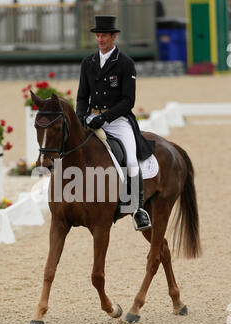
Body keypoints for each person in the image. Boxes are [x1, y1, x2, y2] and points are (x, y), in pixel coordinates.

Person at [76, 15, 154, 231]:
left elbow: (128, 100)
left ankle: (138, 210)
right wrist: (81, 115)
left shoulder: (125, 63)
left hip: (118, 121)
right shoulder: (88, 62)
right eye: (98, 36)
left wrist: (105, 117)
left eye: (104, 36)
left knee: (130, 161)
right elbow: (82, 96)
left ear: (113, 36)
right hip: (92, 118)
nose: (100, 40)